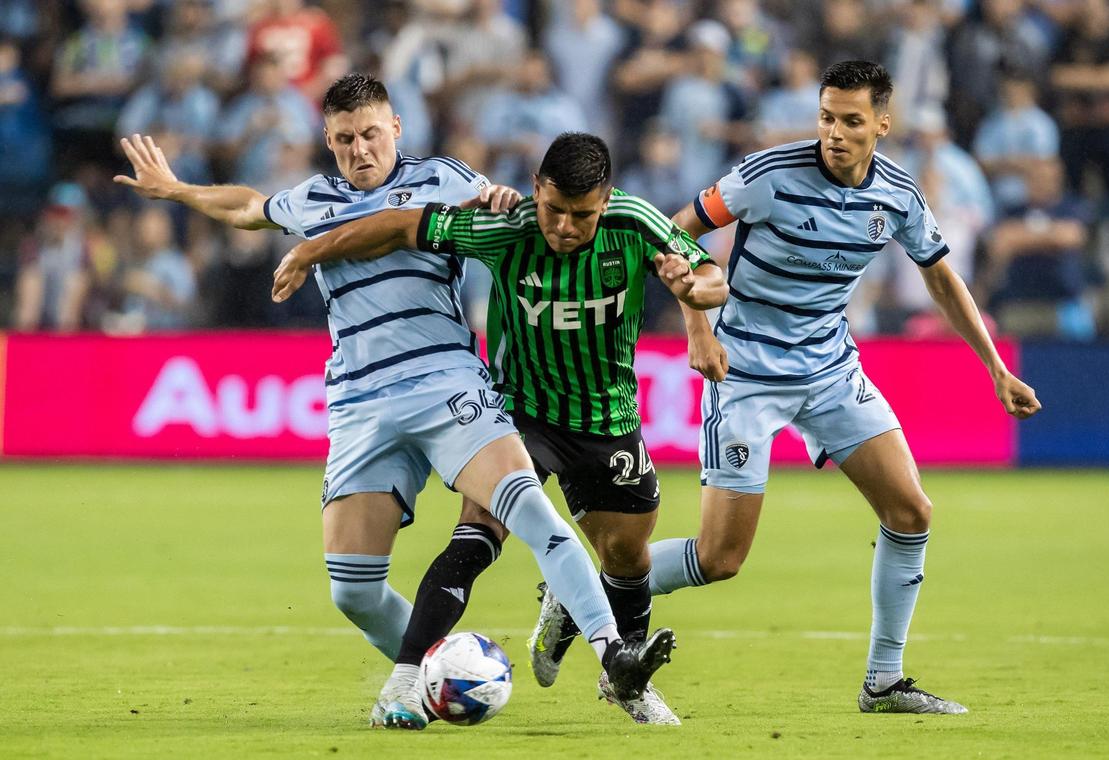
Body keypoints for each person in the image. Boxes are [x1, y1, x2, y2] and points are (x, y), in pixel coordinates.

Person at [113, 74, 675, 731]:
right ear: (327, 140)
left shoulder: (446, 179)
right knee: (352, 590)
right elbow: (247, 205)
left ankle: (614, 662)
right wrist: (177, 190)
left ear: (397, 128)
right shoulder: (311, 200)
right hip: (359, 401)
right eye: (346, 138)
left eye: (372, 133)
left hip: (448, 384)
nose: (361, 148)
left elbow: (520, 211)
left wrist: (495, 195)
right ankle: (443, 674)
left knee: (535, 517)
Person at [615, 60, 1041, 714]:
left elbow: (939, 277)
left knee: (911, 512)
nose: (834, 133)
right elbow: (671, 234)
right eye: (825, 117)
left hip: (830, 372)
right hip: (746, 374)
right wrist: (698, 329)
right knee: (722, 557)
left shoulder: (897, 194)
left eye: (850, 121)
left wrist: (994, 366)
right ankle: (592, 589)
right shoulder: (764, 177)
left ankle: (884, 682)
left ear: (882, 124)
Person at [272, 132, 726, 725]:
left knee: (626, 555)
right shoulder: (503, 228)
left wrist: (695, 297)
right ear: (536, 189)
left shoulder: (635, 223)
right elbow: (397, 225)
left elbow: (710, 273)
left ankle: (621, 677)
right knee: (477, 534)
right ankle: (406, 680)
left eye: (581, 216)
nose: (564, 227)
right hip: (520, 410)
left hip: (605, 416)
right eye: (554, 210)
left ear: (607, 199)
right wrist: (311, 251)